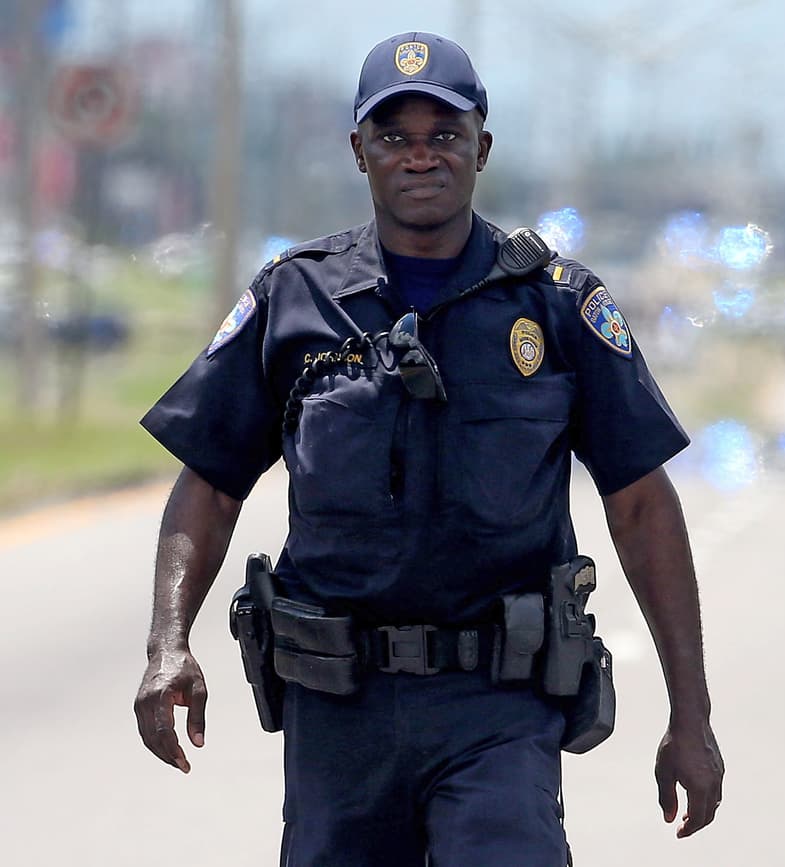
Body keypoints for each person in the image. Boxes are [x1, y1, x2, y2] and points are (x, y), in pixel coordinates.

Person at [132, 31, 723, 866]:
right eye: (394, 138)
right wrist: (168, 644)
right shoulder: (295, 298)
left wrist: (689, 715)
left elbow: (640, 504)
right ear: (359, 152)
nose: (420, 157)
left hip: (499, 706)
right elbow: (211, 486)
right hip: (339, 712)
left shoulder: (556, 305)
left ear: (481, 147)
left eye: (444, 136)